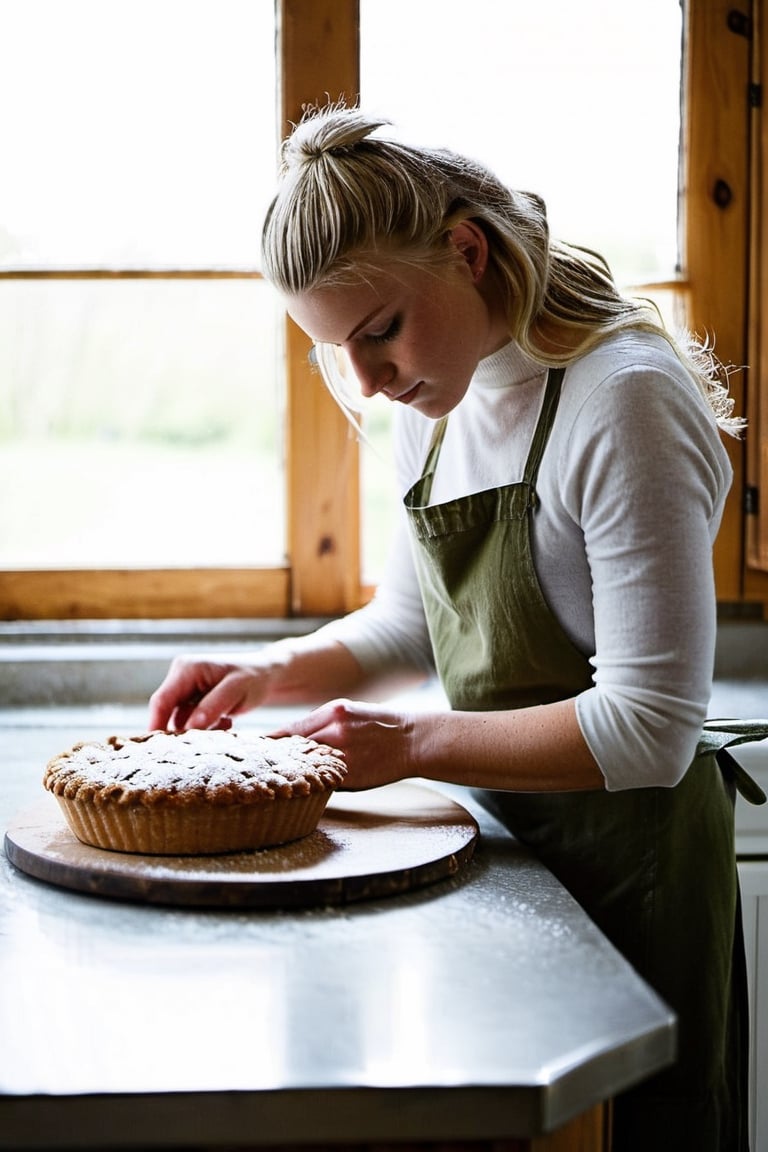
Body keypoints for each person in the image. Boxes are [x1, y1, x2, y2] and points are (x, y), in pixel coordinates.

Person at [149, 103, 768, 1151]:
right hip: (507, 863)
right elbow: (411, 624)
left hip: (637, 876)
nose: (370, 381)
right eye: (335, 353)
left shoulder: (622, 401)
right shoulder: (440, 399)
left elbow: (652, 726)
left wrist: (412, 745)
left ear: (468, 251)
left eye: (379, 331)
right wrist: (267, 670)